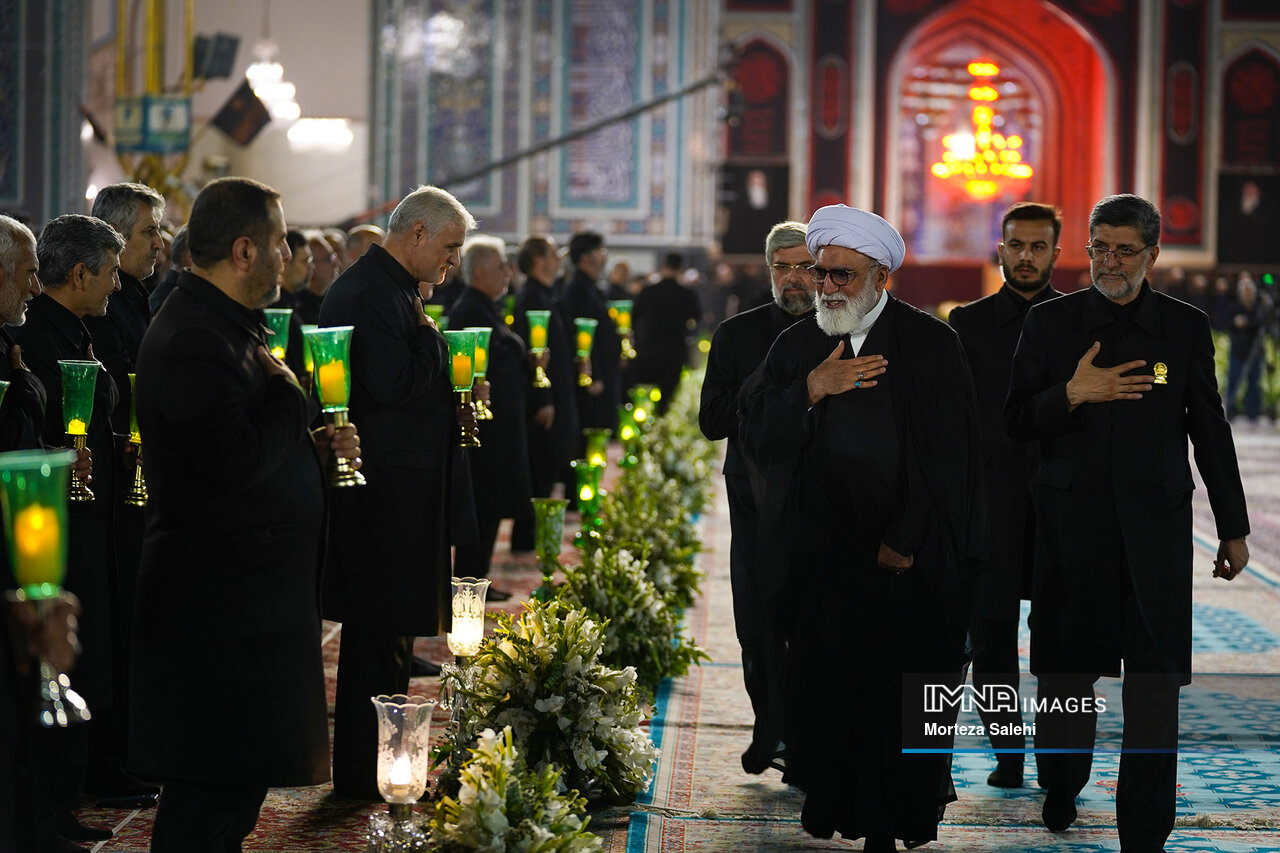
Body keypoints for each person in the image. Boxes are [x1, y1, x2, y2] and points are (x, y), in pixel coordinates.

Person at [1005, 193, 1250, 851]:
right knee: (1065, 675)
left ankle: (1145, 829)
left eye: (1124, 251)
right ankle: (1061, 782)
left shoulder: (1184, 327)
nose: (1109, 262)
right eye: (1100, 249)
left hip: (1154, 537)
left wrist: (1233, 527)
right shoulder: (1050, 323)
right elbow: (1014, 419)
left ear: (1153, 254)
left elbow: (1211, 430)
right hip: (1071, 530)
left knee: (1154, 685)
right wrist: (1071, 394)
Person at [740, 205, 983, 852]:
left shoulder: (930, 343)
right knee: (835, 699)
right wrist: (810, 390)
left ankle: (890, 825)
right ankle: (848, 812)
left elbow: (951, 458)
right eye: (820, 273)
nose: (825, 287)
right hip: (823, 564)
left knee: (901, 700)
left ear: (881, 277)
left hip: (906, 562)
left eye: (841, 275)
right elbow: (754, 431)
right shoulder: (798, 346)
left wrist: (906, 538)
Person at [128, 176, 359, 850]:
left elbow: (241, 449)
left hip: (246, 604)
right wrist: (290, 398)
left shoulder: (225, 325)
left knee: (231, 798)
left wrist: (309, 447)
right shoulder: (196, 338)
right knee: (208, 801)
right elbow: (231, 462)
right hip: (216, 610)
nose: (289, 254)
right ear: (244, 250)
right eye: (280, 241)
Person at [319, 184, 477, 800]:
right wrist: (434, 338)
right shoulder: (370, 292)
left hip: (399, 487)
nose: (453, 260)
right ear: (416, 233)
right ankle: (364, 774)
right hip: (384, 494)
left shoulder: (392, 288)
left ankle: (377, 768)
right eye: (449, 247)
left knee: (387, 639)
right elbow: (393, 384)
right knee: (375, 640)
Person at [947, 201, 1064, 788]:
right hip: (990, 504)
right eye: (1016, 245)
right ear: (1000, 250)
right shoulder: (966, 324)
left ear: (1056, 254)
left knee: (1059, 642)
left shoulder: (1079, 320)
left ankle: (1058, 763)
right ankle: (1008, 755)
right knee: (992, 638)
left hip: (1060, 506)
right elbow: (952, 419)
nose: (1026, 256)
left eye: (1038, 247)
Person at [18, 213, 124, 847]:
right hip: (56, 522)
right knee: (63, 660)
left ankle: (68, 798)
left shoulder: (75, 328)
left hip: (89, 513)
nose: (117, 284)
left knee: (88, 655)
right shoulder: (34, 334)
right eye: (110, 272)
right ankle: (52, 808)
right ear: (81, 274)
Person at [698, 220, 814, 776]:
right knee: (758, 625)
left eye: (804, 267)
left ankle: (807, 744)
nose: (793, 278)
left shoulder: (843, 331)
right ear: (768, 270)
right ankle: (770, 727)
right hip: (754, 499)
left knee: (813, 627)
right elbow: (712, 421)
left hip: (823, 502)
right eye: (782, 267)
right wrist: (767, 387)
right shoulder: (737, 335)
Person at [450, 236, 543, 594]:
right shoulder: (471, 310)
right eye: (501, 265)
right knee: (483, 508)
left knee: (490, 508)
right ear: (480, 272)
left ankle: (476, 582)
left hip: (500, 424)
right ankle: (469, 586)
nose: (508, 272)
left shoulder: (486, 306)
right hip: (486, 430)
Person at [510, 236, 578, 551]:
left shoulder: (547, 294)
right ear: (538, 259)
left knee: (549, 467)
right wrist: (544, 399)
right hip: (544, 402)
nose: (559, 258)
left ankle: (534, 536)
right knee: (541, 468)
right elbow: (534, 356)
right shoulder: (532, 298)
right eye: (553, 253)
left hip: (557, 396)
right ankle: (527, 539)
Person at [562, 231, 622, 439]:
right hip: (593, 380)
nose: (604, 255)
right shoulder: (579, 289)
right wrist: (594, 375)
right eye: (599, 250)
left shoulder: (590, 286)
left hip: (603, 374)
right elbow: (583, 334)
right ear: (585, 257)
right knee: (594, 433)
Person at [633, 252, 702, 413]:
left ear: (664, 266)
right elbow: (696, 317)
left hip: (648, 348)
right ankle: (662, 420)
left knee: (644, 390)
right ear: (680, 269)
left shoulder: (648, 291)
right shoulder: (686, 294)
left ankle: (644, 420)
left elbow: (635, 316)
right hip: (674, 350)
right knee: (667, 395)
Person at [1225, 275, 1267, 425]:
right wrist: (1236, 323)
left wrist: (1246, 322)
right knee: (1234, 380)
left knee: (1254, 383)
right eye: (1245, 292)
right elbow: (1226, 323)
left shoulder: (1259, 307)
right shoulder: (1234, 307)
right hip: (1238, 350)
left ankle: (1252, 414)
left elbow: (1262, 323)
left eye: (1250, 292)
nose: (1248, 295)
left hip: (1255, 351)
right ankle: (1231, 411)